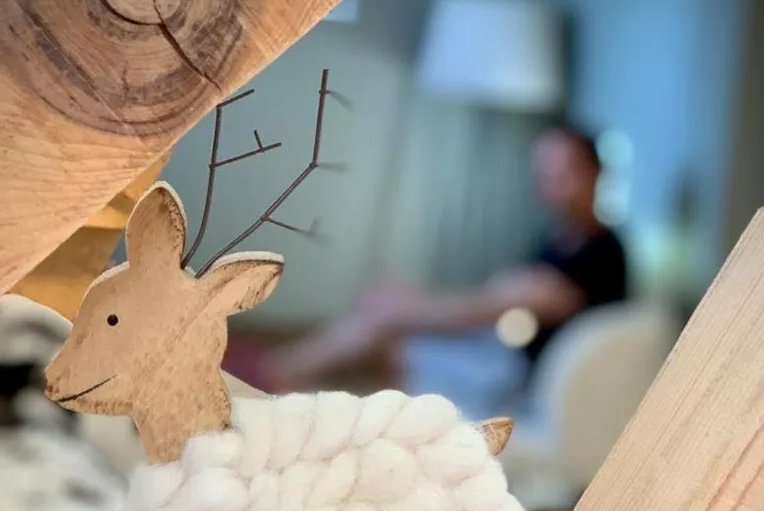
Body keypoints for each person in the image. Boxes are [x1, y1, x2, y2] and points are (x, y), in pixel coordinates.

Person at [251, 125, 628, 406]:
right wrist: (415, 303)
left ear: (595, 174)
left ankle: (271, 379)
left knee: (384, 330)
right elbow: (501, 302)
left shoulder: (601, 252)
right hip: (502, 347)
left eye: (564, 173)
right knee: (386, 313)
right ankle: (276, 374)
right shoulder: (556, 239)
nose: (551, 185)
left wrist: (410, 310)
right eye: (544, 175)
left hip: (517, 376)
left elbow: (493, 308)